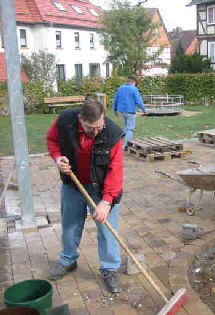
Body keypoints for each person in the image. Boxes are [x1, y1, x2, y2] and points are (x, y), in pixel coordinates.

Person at [46, 99, 124, 293]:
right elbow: (52, 139)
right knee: (70, 225)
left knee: (107, 230)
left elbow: (116, 170)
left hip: (100, 190)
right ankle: (68, 260)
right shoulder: (65, 120)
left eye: (99, 127)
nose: (96, 132)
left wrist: (106, 202)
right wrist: (57, 157)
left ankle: (110, 268)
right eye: (90, 129)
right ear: (80, 119)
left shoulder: (113, 134)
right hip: (73, 185)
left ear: (103, 118)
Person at [113, 76, 147, 149]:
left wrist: (115, 110)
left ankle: (123, 144)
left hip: (122, 111)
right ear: (133, 82)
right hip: (131, 111)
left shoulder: (120, 88)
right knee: (130, 129)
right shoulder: (134, 89)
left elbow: (115, 99)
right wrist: (143, 109)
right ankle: (127, 145)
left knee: (126, 127)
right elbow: (138, 101)